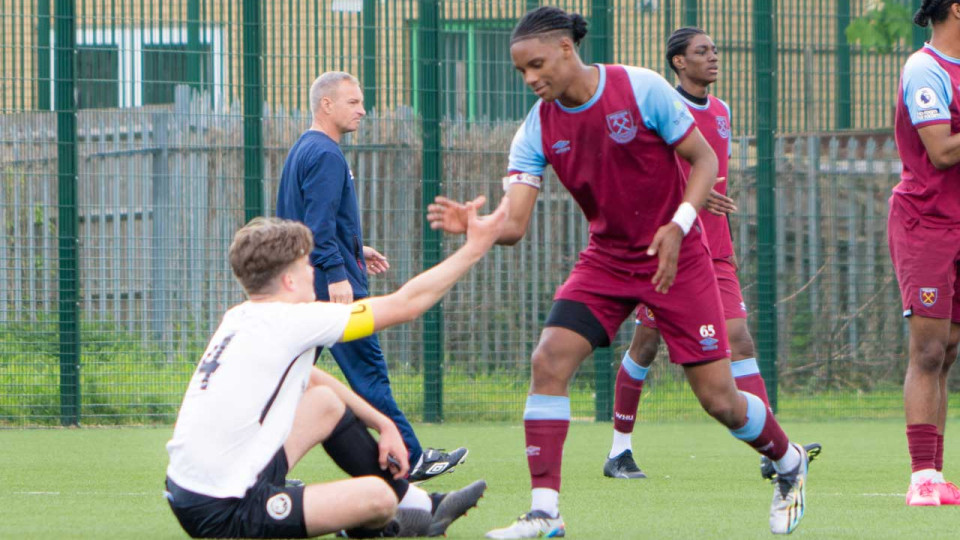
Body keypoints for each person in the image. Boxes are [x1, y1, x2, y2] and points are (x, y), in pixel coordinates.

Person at [427, 7, 811, 536]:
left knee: (719, 399)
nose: (531, 78)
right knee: (549, 361)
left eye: (537, 64)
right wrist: (480, 226)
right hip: (607, 260)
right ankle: (545, 512)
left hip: (681, 258)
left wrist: (678, 226)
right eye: (522, 72)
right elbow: (514, 223)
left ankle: (789, 462)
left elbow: (704, 163)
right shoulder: (537, 127)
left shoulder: (642, 88)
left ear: (567, 49)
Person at [164, 201, 507, 538]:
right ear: (288, 280)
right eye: (305, 264)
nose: (312, 270)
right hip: (224, 509)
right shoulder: (292, 320)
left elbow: (311, 378)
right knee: (378, 500)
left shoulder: (241, 316)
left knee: (325, 403)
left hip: (195, 489)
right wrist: (476, 246)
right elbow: (406, 304)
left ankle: (424, 508)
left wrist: (383, 423)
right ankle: (378, 527)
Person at [603, 27, 821, 483]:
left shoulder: (720, 110)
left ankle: (772, 448)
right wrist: (693, 200)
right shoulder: (664, 108)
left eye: (715, 50)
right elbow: (650, 173)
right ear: (679, 62)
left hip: (715, 249)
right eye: (702, 52)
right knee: (645, 346)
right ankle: (619, 451)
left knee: (739, 338)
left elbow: (708, 169)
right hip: (670, 246)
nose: (713, 57)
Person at [276, 71, 468, 482]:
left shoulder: (302, 150)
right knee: (368, 374)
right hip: (332, 289)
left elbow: (300, 225)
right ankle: (410, 458)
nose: (363, 110)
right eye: (353, 102)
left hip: (310, 285)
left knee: (289, 380)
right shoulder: (326, 154)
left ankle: (260, 469)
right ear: (326, 105)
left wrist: (352, 248)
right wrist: (338, 273)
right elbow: (317, 225)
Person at [890, 0, 960, 507]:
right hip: (928, 222)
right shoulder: (924, 68)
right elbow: (941, 149)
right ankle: (921, 477)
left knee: (950, 351)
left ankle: (938, 474)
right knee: (929, 350)